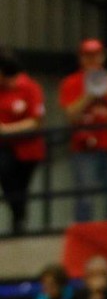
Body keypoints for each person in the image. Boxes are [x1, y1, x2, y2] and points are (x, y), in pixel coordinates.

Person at [58, 40, 107, 221]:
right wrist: (89, 95)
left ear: (102, 57)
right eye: (88, 56)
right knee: (85, 198)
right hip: (84, 148)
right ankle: (84, 234)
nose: (92, 60)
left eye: (96, 55)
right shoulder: (71, 82)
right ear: (81, 58)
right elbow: (71, 116)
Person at [0, 49, 46, 235]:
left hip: (28, 150)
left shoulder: (30, 87)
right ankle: (18, 218)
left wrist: (6, 129)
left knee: (20, 187)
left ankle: (19, 219)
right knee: (6, 178)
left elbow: (35, 121)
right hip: (5, 148)